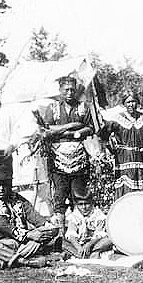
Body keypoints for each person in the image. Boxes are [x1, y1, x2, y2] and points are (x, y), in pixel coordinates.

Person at [41, 75, 94, 235]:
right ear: (60, 91)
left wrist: (77, 132)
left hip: (79, 157)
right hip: (58, 159)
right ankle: (60, 234)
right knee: (59, 195)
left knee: (78, 193)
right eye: (66, 90)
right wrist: (71, 126)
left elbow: (90, 128)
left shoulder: (83, 107)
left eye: (72, 89)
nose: (70, 93)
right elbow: (47, 130)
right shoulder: (53, 108)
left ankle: (78, 232)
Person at [0, 179, 58, 269]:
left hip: (23, 243)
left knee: (47, 232)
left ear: (10, 185)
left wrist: (48, 227)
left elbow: (33, 216)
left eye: (4, 185)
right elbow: (5, 227)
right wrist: (29, 234)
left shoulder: (18, 199)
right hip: (3, 243)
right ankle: (24, 261)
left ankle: (4, 258)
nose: (1, 189)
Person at [100, 91, 143, 200]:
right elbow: (103, 135)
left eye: (133, 101)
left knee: (142, 189)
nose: (131, 104)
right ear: (124, 104)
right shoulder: (117, 119)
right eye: (128, 102)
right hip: (124, 158)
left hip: (142, 158)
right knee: (126, 188)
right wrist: (110, 148)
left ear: (137, 103)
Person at [63, 192, 112, 259]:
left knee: (109, 239)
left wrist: (88, 245)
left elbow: (99, 234)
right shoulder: (74, 216)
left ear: (92, 203)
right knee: (63, 242)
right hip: (79, 244)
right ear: (76, 205)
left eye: (87, 204)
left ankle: (90, 253)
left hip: (94, 244)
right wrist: (79, 248)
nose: (84, 207)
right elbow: (71, 235)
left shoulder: (98, 215)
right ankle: (84, 254)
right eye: (80, 204)